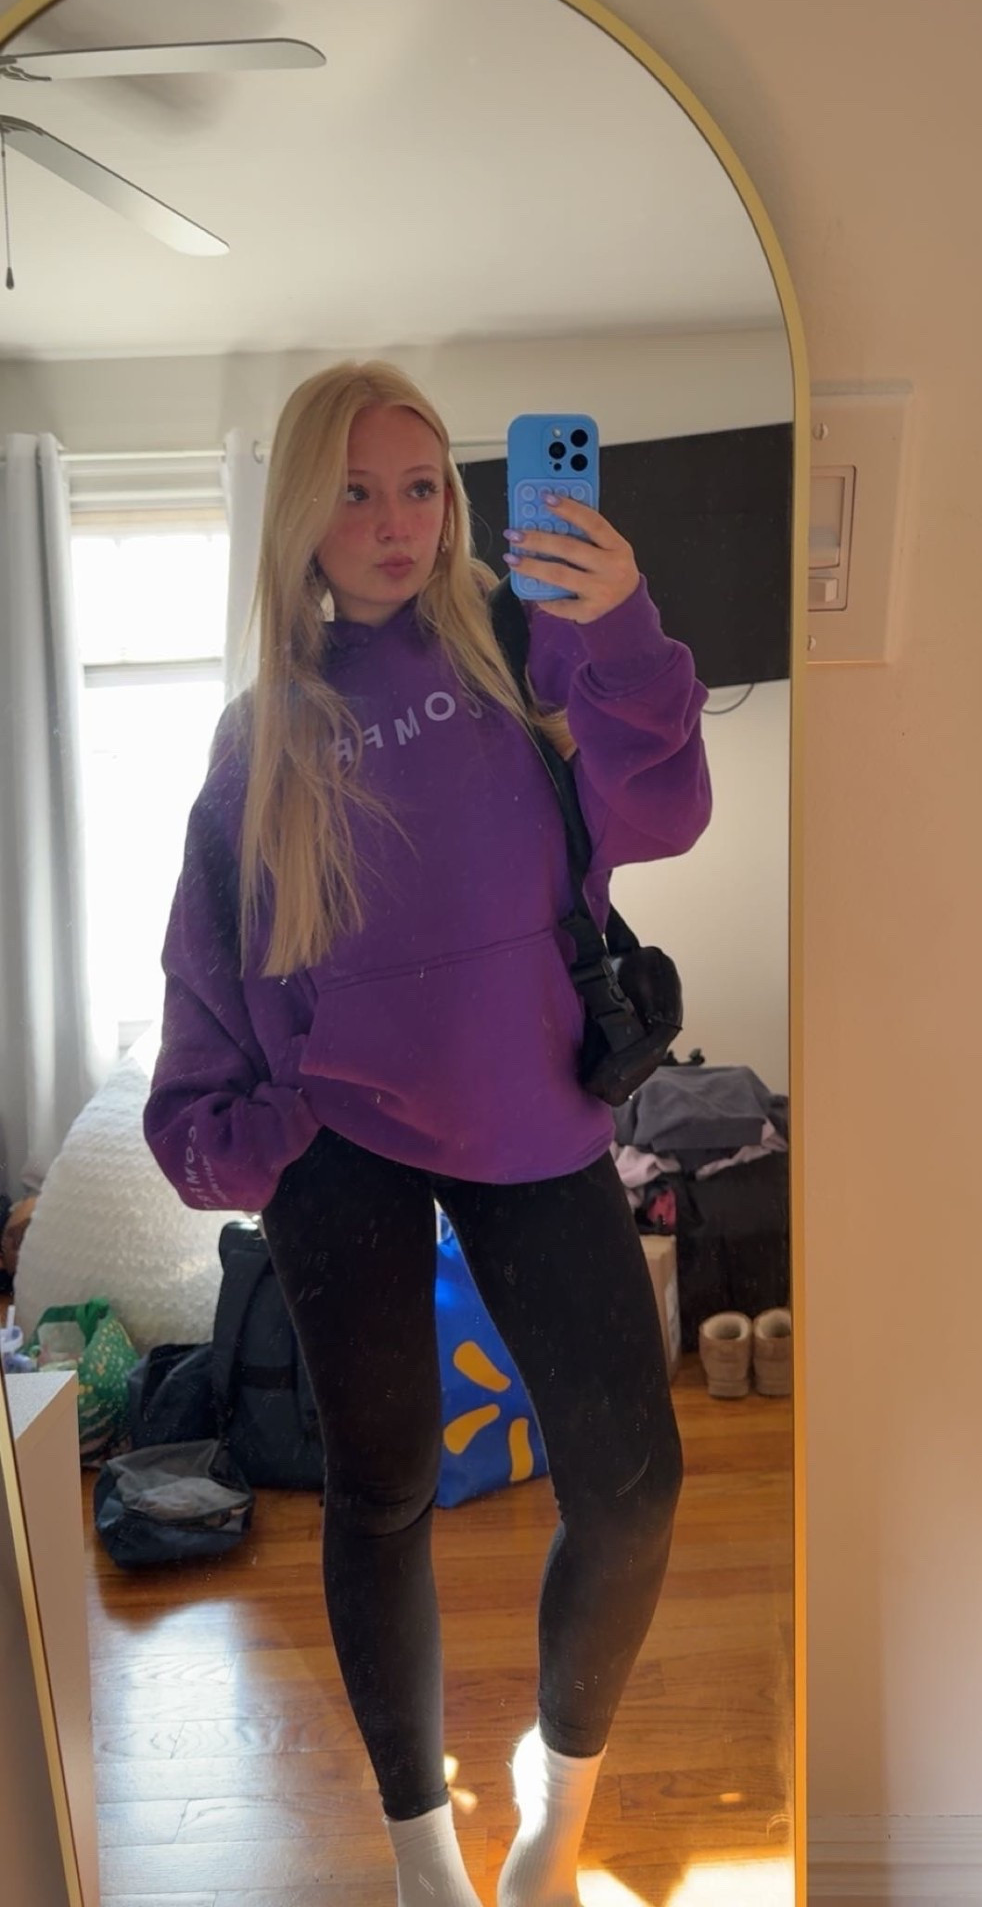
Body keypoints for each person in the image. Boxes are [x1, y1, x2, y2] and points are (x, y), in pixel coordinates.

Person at [144, 361, 712, 1907]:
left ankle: (557, 1809)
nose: (397, 523)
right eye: (355, 492)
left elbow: (663, 813)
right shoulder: (258, 739)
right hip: (341, 1148)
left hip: (534, 1114)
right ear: (298, 518)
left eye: (420, 488)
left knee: (634, 1487)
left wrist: (621, 621)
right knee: (381, 1491)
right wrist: (242, 1127)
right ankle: (420, 1860)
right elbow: (210, 973)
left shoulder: (524, 649)